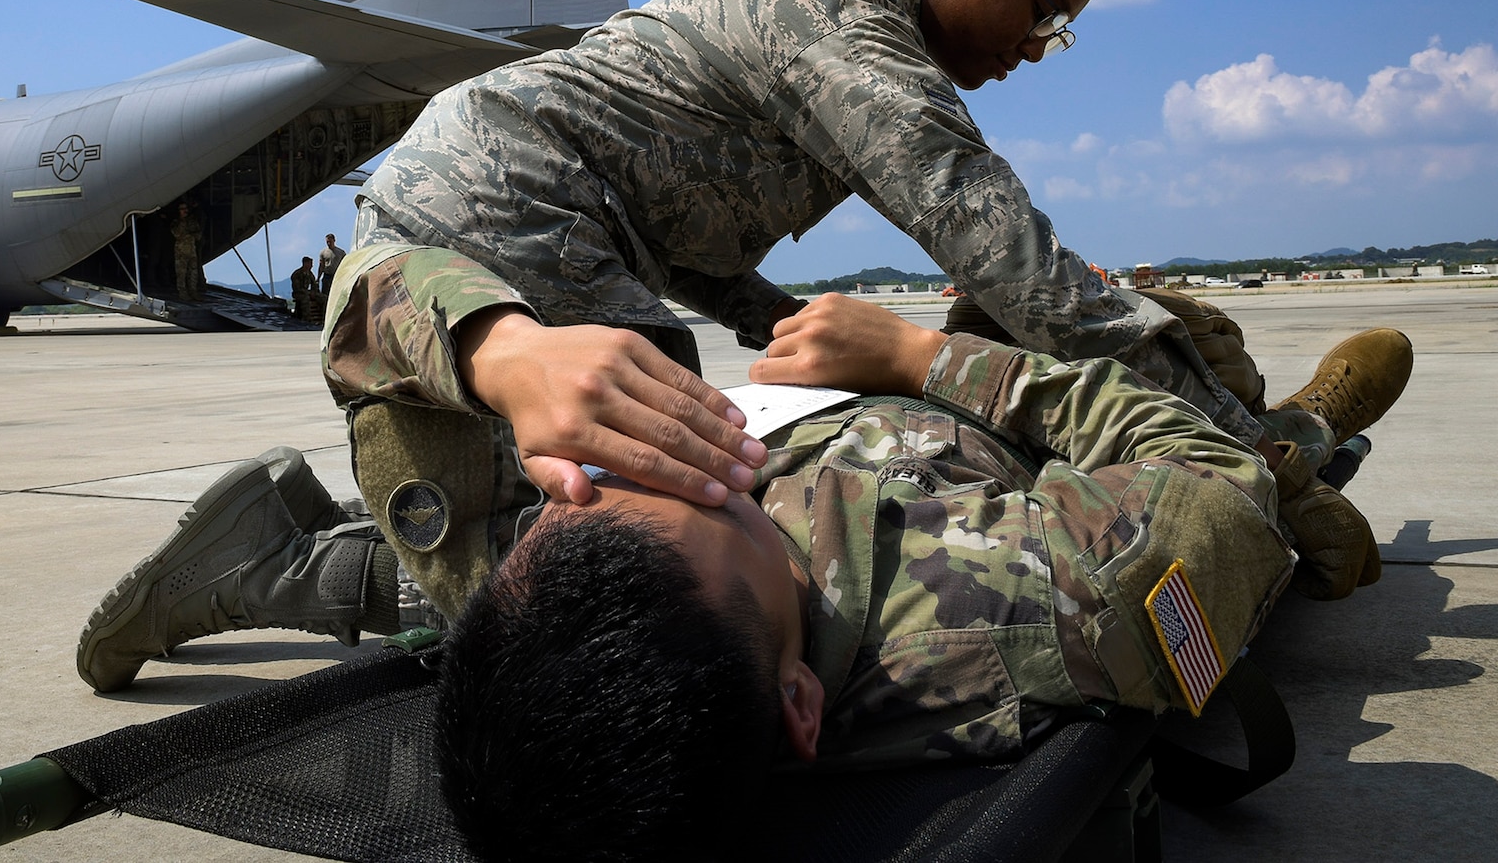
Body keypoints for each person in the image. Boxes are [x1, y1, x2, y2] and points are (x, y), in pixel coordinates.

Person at [74, 0, 1409, 690]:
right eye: (1043, 10)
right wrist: (1267, 472)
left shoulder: (851, 39)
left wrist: (793, 327)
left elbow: (700, 245)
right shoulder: (852, 35)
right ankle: (275, 568)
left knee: (671, 526)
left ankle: (325, 551)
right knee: (618, 594)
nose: (1042, 42)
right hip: (501, 230)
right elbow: (1023, 267)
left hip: (569, 236)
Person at [430, 293, 1343, 861]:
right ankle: (1307, 427)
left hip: (849, 386)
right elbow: (1214, 472)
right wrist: (921, 356)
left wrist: (502, 350)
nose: (641, 466)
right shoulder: (1035, 601)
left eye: (580, 497)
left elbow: (384, 281)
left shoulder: (594, 598)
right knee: (1185, 343)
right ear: (799, 700)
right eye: (706, 497)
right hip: (1001, 408)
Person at [171, 201, 203, 299]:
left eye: (186, 209)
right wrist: (183, 222)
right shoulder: (176, 222)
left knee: (193, 272)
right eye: (182, 209)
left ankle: (193, 291)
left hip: (191, 250)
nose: (185, 211)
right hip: (181, 251)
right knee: (181, 273)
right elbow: (176, 234)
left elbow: (198, 234)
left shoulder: (192, 221)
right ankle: (182, 292)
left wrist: (191, 235)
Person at [290, 257, 321, 324]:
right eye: (310, 264)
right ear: (305, 263)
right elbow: (297, 288)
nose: (312, 266)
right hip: (298, 294)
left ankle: (322, 319)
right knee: (305, 299)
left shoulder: (310, 274)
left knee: (323, 298)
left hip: (308, 293)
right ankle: (307, 319)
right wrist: (309, 293)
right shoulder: (297, 274)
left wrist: (314, 292)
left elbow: (314, 285)